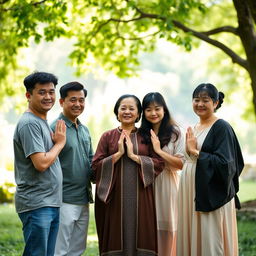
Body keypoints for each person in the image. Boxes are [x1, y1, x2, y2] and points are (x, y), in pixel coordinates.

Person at [92, 94, 165, 256]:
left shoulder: (147, 136)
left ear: (138, 114)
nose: (127, 111)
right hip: (114, 197)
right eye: (123, 108)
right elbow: (95, 167)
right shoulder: (107, 136)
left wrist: (134, 157)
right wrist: (118, 154)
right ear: (117, 112)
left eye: (132, 108)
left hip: (142, 195)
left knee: (142, 236)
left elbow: (159, 163)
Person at [177, 83, 244, 256]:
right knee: (192, 234)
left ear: (215, 103)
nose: (199, 104)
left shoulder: (222, 127)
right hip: (190, 190)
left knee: (210, 238)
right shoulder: (194, 127)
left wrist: (195, 152)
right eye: (196, 100)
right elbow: (188, 157)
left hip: (211, 193)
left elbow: (226, 164)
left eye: (205, 100)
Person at [13, 71, 66, 256]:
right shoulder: (29, 123)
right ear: (29, 95)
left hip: (50, 202)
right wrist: (59, 144)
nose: (48, 97)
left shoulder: (42, 121)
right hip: (37, 203)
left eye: (51, 92)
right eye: (42, 92)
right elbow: (41, 163)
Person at [51, 81, 94, 256]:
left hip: (83, 199)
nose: (78, 104)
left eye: (81, 100)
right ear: (62, 102)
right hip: (63, 199)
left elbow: (92, 161)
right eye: (73, 100)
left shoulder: (84, 130)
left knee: (77, 250)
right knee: (59, 250)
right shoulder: (54, 128)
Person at [139, 92, 184, 256]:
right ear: (143, 112)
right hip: (145, 187)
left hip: (167, 186)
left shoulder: (176, 133)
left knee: (167, 230)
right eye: (148, 109)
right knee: (146, 230)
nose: (153, 113)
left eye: (157, 108)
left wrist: (158, 151)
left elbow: (180, 164)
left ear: (164, 109)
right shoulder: (140, 134)